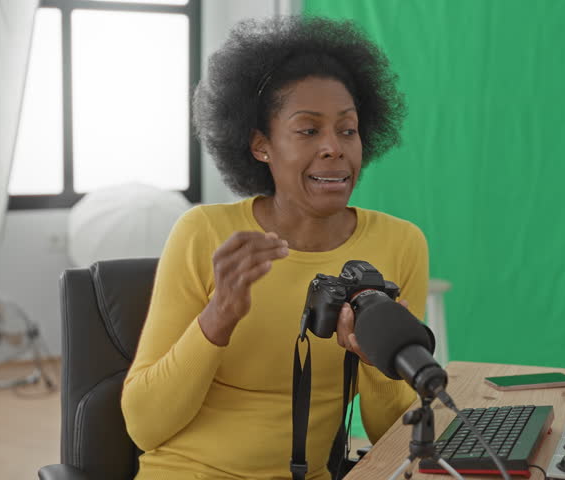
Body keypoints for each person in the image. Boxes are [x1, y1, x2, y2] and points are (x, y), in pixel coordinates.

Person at [122, 15, 430, 480]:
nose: (334, 148)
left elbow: (394, 440)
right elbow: (144, 426)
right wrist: (218, 317)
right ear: (260, 145)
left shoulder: (400, 244)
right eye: (308, 130)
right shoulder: (204, 233)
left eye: (347, 130)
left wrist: (372, 360)